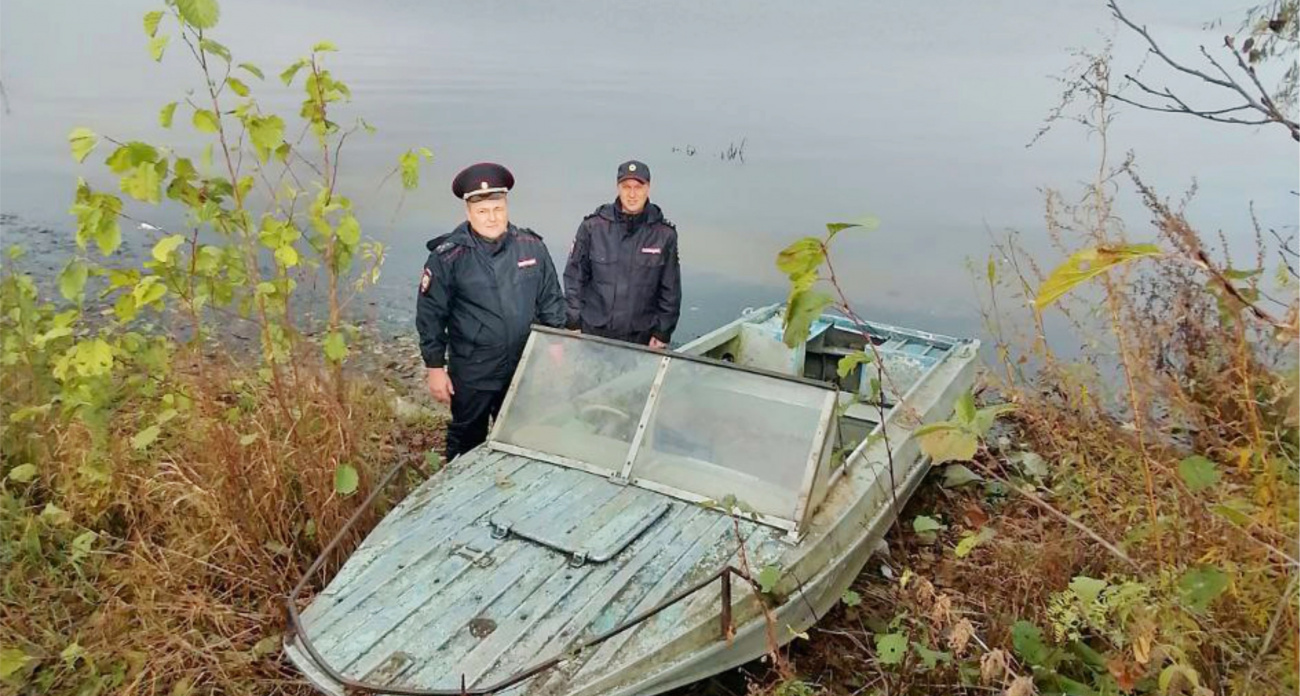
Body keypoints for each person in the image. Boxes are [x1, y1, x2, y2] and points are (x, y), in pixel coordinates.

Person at [417, 162, 565, 461]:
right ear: (468, 212)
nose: (491, 217)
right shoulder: (449, 257)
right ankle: (456, 492)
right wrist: (435, 368)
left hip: (523, 366)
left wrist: (558, 346)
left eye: (497, 208)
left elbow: (551, 299)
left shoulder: (531, 247)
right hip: (473, 370)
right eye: (483, 211)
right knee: (467, 440)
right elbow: (431, 316)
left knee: (519, 435)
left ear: (506, 206)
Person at [563, 160, 682, 348]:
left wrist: (662, 332)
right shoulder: (593, 228)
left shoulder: (664, 235)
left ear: (648, 188)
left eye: (638, 187)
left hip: (640, 337)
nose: (632, 194)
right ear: (618, 188)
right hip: (594, 334)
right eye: (626, 187)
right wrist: (573, 322)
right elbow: (574, 278)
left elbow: (671, 291)